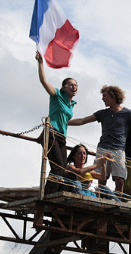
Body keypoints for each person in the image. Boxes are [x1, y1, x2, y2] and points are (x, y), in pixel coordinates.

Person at [68, 85, 131, 198]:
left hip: (118, 150)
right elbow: (83, 120)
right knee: (101, 178)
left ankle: (116, 201)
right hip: (103, 149)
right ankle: (100, 200)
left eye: (105, 96)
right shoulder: (102, 113)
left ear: (113, 96)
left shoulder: (128, 114)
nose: (103, 98)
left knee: (119, 180)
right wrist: (66, 122)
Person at [35, 51, 77, 195]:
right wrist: (40, 64)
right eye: (71, 85)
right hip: (51, 132)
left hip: (62, 137)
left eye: (76, 85)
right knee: (58, 168)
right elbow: (43, 82)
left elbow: (68, 120)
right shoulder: (57, 95)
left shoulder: (72, 104)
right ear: (64, 87)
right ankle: (48, 195)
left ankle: (57, 192)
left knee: (64, 170)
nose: (74, 87)